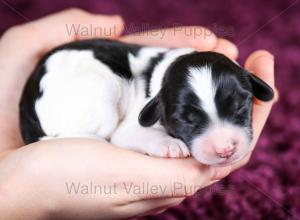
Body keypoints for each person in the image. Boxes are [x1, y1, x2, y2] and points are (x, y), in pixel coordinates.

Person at [0, 9, 276, 219]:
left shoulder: (174, 84)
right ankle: (74, 136)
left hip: (59, 97)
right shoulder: (155, 96)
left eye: (238, 107)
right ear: (158, 108)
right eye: (190, 118)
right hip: (65, 88)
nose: (224, 145)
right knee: (109, 107)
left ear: (253, 86)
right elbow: (127, 132)